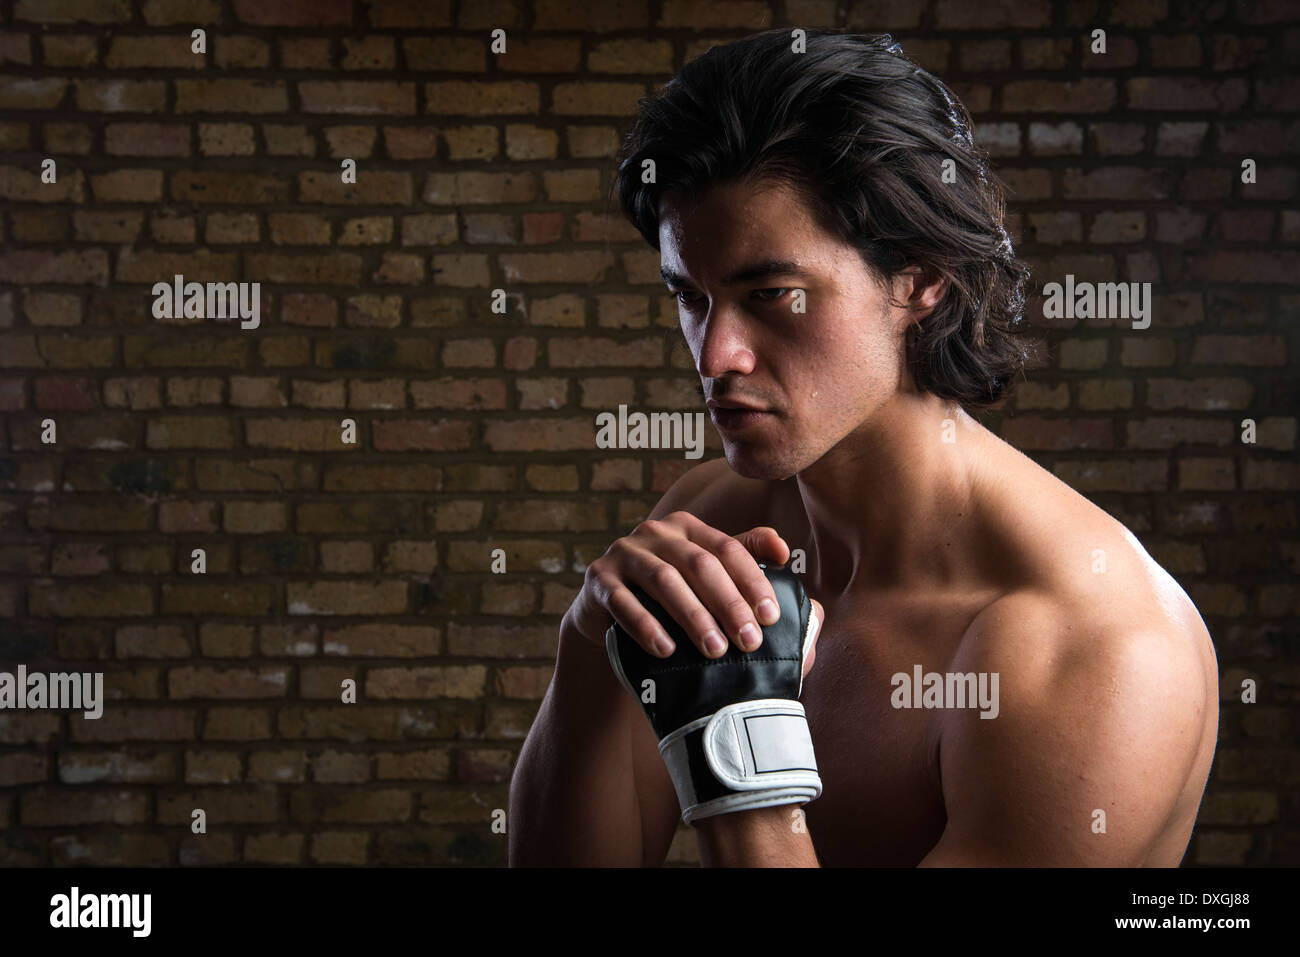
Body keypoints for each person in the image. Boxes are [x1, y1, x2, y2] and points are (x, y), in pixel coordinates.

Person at [508, 28, 1218, 867]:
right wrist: (592, 641)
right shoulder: (714, 518)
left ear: (918, 279)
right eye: (690, 297)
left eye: (772, 293)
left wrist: (740, 760)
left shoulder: (1092, 648)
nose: (714, 356)